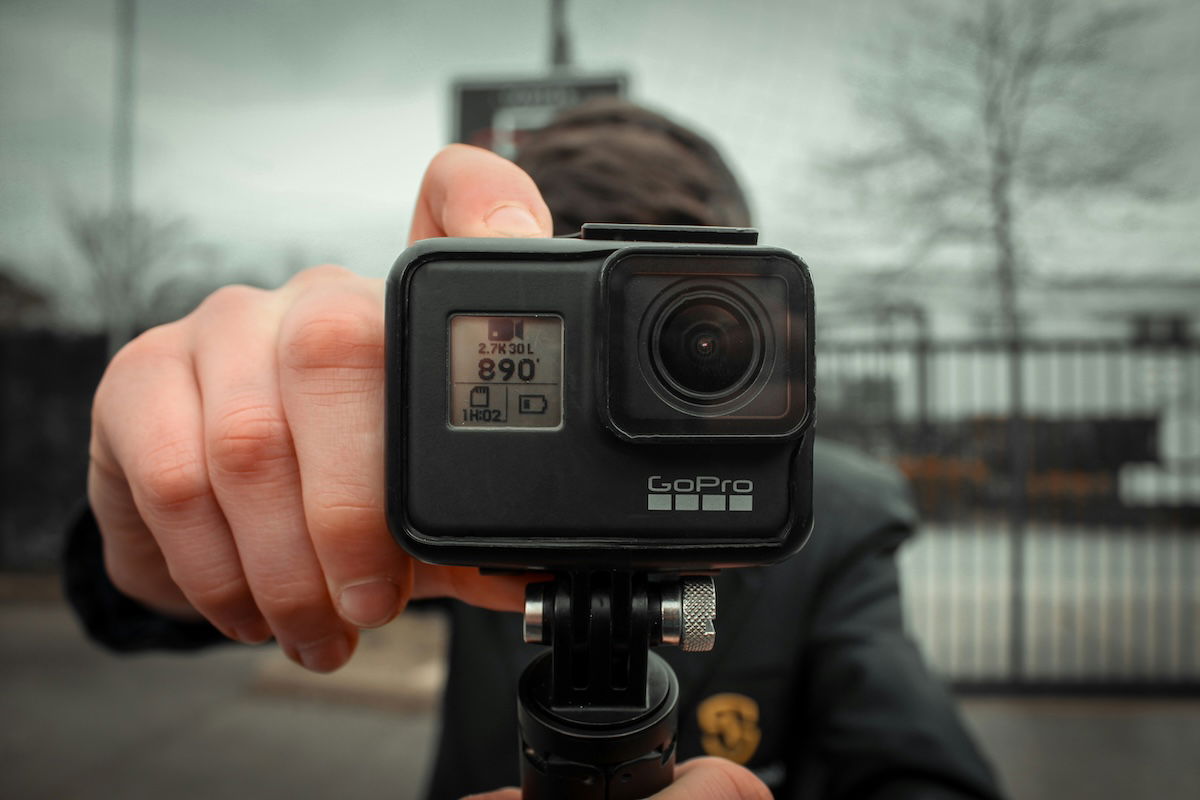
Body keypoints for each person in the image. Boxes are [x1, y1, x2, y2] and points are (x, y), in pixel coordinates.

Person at [64, 99, 1005, 800]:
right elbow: (145, 603)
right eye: (553, 310)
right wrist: (162, 529)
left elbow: (921, 775)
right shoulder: (439, 477)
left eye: (693, 334)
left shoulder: (829, 519)